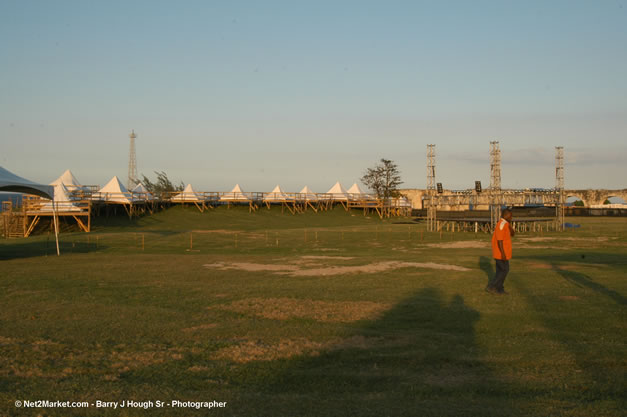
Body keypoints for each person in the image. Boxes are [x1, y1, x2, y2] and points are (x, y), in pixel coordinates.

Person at [486, 208, 515, 295]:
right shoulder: (501, 224)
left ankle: (500, 289)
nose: (511, 217)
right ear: (505, 215)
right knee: (504, 270)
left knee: (501, 271)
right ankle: (492, 286)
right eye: (510, 216)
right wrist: (502, 253)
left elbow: (513, 234)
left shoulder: (506, 224)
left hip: (505, 253)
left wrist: (509, 224)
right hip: (500, 253)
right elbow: (499, 240)